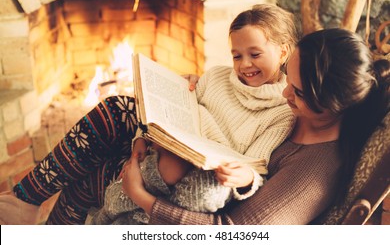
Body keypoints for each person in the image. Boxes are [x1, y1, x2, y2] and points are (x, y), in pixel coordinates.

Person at [0, 3, 297, 225]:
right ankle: (28, 198)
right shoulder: (217, 77)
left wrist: (245, 177)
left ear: (283, 51)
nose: (244, 64)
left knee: (89, 181)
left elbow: (256, 167)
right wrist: (142, 136)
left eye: (255, 54)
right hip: (165, 146)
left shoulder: (281, 112)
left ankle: (28, 204)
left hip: (191, 175)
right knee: (117, 107)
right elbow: (183, 107)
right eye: (236, 55)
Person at [120, 28, 390, 225]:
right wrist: (193, 89)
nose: (285, 94)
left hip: (181, 204)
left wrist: (141, 197)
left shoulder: (314, 172)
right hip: (177, 164)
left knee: (97, 183)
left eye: (297, 91)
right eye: (287, 77)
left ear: (332, 106)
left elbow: (234, 232)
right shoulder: (301, 112)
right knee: (117, 108)